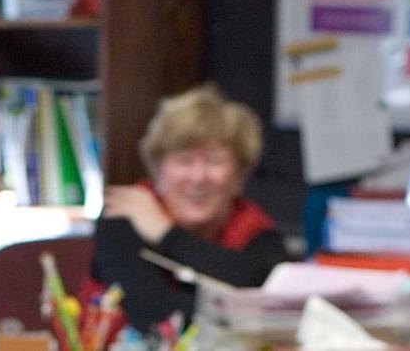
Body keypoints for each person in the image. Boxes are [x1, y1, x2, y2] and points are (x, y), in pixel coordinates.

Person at [85, 85, 287, 333]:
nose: (198, 177)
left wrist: (166, 235)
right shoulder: (123, 216)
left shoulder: (256, 229)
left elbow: (270, 293)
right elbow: (154, 315)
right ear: (158, 171)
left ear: (239, 176)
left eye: (215, 161)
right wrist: (242, 315)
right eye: (184, 160)